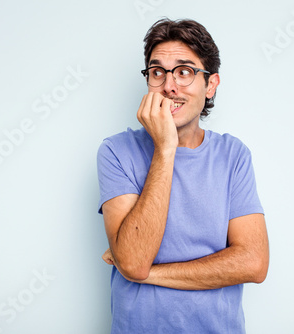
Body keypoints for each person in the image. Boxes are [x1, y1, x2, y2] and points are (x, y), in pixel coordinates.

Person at [96, 18, 269, 333]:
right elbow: (134, 260)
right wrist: (165, 149)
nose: (169, 85)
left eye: (185, 71)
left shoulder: (233, 155)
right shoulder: (116, 151)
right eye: (157, 71)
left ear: (211, 84)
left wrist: (147, 274)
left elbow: (254, 263)